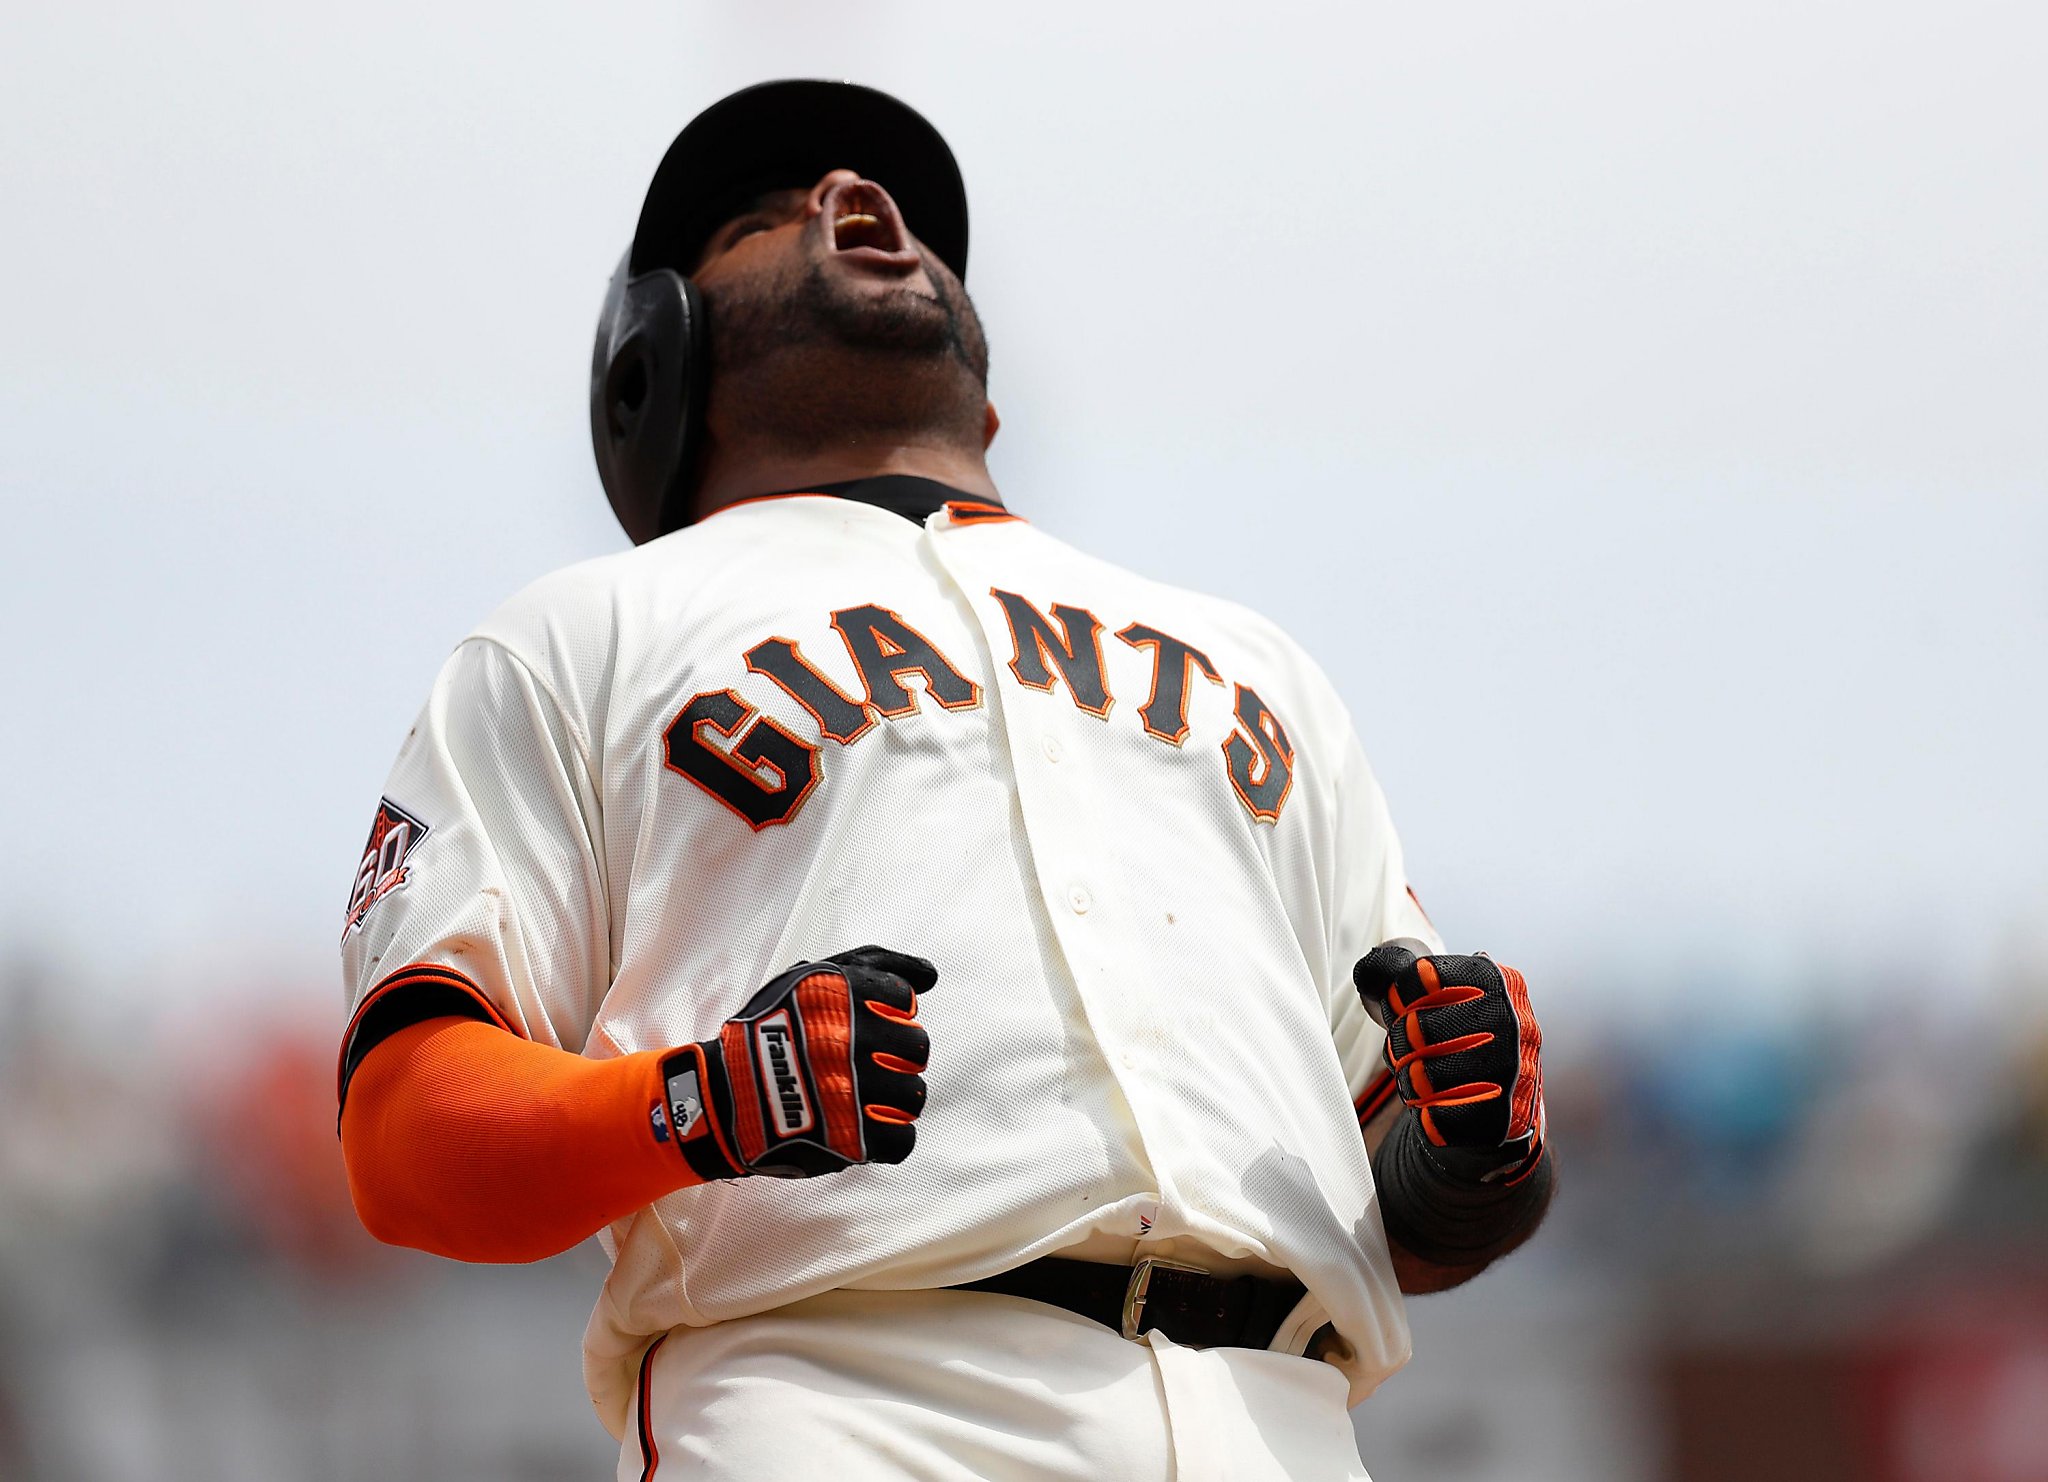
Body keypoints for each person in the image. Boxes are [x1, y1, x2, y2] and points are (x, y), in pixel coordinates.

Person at [335, 79, 1553, 1482]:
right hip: (849, 1404)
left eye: (886, 202)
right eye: (759, 217)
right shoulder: (582, 635)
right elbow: (406, 1133)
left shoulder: (1250, 657)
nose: (855, 200)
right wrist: (700, 1099)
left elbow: (1404, 1205)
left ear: (989, 388)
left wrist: (1476, 1150)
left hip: (1272, 1419)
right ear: (652, 364)